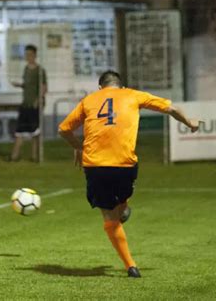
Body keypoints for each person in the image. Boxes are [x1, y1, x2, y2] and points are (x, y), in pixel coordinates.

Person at [58, 70, 200, 278]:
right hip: (125, 165)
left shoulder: (88, 100)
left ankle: (130, 264)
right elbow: (170, 108)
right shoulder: (133, 95)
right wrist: (190, 122)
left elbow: (64, 129)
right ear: (121, 86)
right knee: (120, 205)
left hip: (95, 166)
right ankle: (123, 208)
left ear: (100, 88)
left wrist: (78, 147)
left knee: (109, 216)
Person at [10, 45, 47, 162]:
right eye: (26, 55)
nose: (28, 57)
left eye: (30, 55)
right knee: (20, 129)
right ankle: (14, 156)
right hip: (25, 103)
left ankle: (35, 156)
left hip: (34, 105)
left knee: (35, 131)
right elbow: (28, 85)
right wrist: (20, 85)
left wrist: (38, 100)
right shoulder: (26, 69)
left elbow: (43, 87)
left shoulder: (40, 70)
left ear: (35, 55)